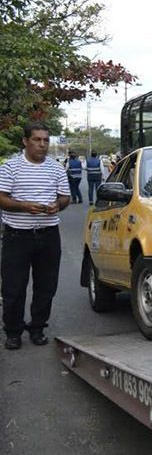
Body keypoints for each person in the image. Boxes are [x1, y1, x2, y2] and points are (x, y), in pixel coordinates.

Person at [0, 121, 70, 350]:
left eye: (45, 140)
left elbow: (65, 197)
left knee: (46, 285)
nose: (42, 145)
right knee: (14, 287)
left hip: (49, 235)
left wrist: (56, 205)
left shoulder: (56, 168)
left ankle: (38, 327)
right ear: (25, 141)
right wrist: (23, 206)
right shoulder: (10, 167)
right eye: (37, 140)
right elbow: (2, 198)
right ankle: (13, 331)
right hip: (17, 237)